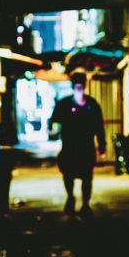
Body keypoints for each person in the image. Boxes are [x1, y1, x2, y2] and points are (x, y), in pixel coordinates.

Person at [49, 71, 105, 216]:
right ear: (73, 86)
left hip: (85, 147)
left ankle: (84, 204)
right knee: (70, 175)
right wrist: (54, 130)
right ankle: (72, 198)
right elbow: (55, 122)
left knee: (86, 177)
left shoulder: (91, 105)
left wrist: (102, 145)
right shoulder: (65, 104)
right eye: (77, 86)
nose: (79, 89)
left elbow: (99, 126)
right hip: (70, 147)